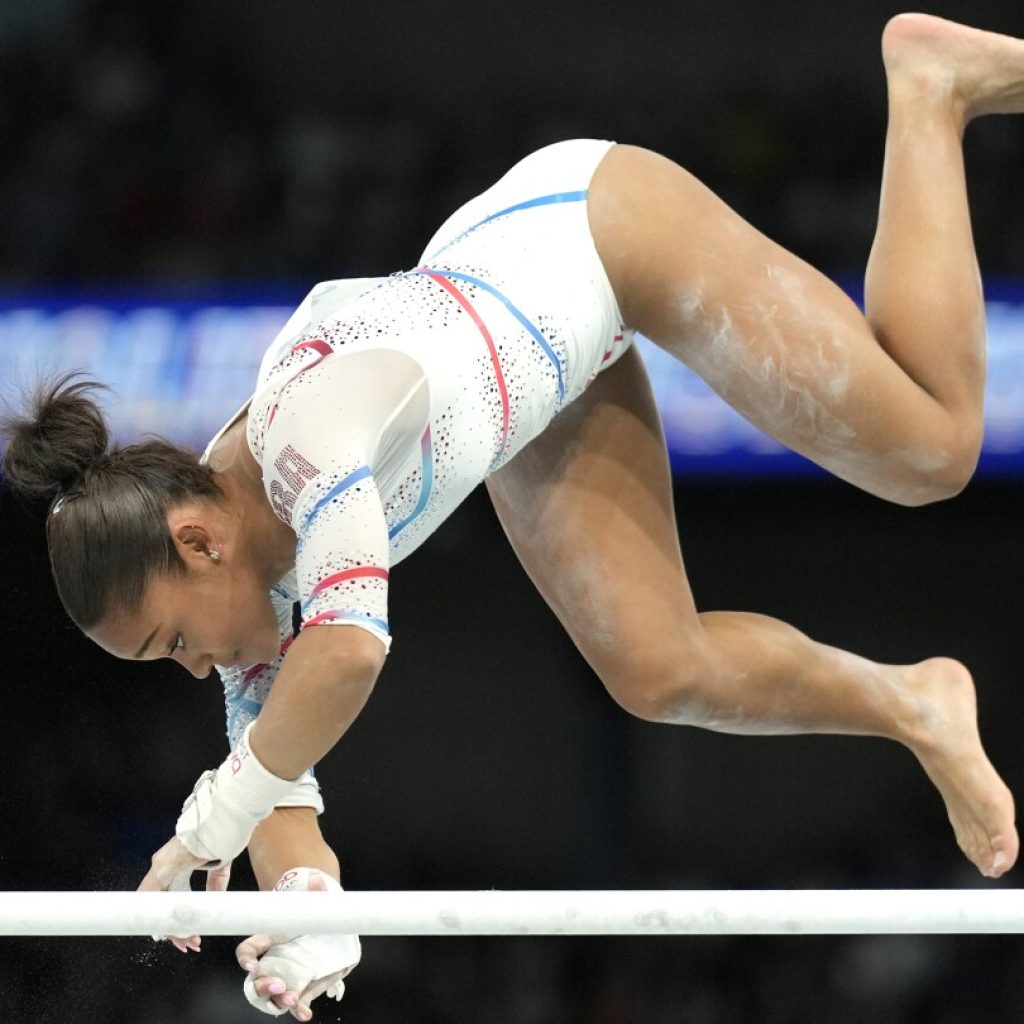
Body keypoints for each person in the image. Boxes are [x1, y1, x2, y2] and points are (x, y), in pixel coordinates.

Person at [2, 12, 1022, 1020]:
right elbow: (280, 769)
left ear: (195, 540)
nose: (194, 665)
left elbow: (349, 653)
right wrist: (309, 906)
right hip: (521, 379)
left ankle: (927, 88)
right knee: (656, 667)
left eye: (174, 639)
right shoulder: (238, 581)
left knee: (931, 449)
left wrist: (216, 812)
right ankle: (916, 703)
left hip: (592, 233)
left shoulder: (306, 434)